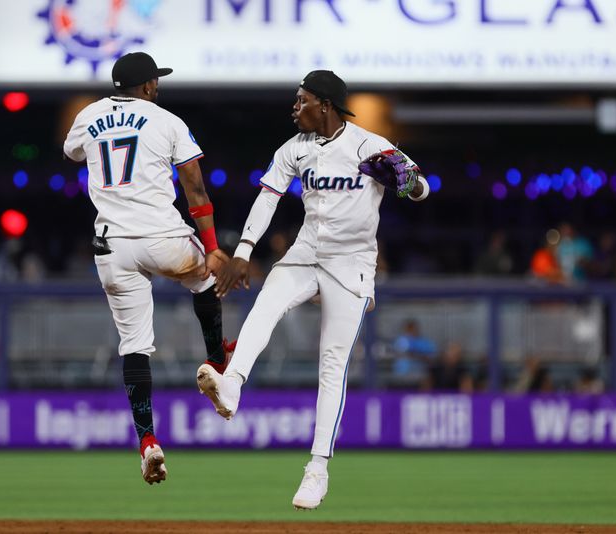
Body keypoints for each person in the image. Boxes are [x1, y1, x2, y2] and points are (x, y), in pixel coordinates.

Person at [196, 70, 429, 510]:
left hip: (352, 263)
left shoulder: (366, 144)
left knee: (332, 363)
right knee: (268, 300)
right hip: (307, 251)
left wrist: (403, 179)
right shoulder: (293, 149)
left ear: (323, 104)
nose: (294, 107)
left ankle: (317, 469)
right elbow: (267, 198)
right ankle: (232, 384)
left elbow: (422, 188)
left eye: (300, 100)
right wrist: (243, 250)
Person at [63, 52, 233, 486]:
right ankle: (215, 363)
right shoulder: (166, 120)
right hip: (163, 238)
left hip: (112, 246)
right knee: (207, 278)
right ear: (148, 87)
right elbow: (194, 187)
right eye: (155, 80)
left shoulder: (89, 114)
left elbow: (73, 153)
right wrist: (213, 246)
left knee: (134, 346)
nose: (158, 85)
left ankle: (147, 441)